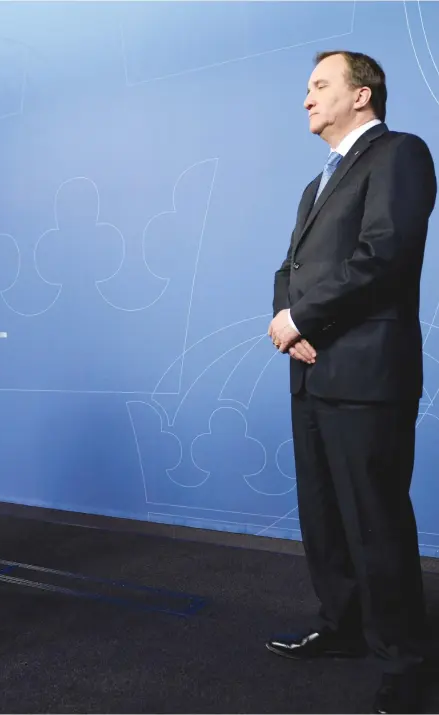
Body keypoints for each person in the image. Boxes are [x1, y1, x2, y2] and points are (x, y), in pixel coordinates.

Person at [267, 51, 436, 714]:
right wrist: (288, 318)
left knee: (375, 519)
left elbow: (384, 254)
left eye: (318, 85)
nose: (305, 98)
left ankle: (401, 657)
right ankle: (341, 627)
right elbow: (290, 266)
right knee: (324, 514)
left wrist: (302, 315)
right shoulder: (316, 184)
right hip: (310, 369)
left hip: (367, 372)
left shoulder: (401, 154)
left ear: (361, 95)